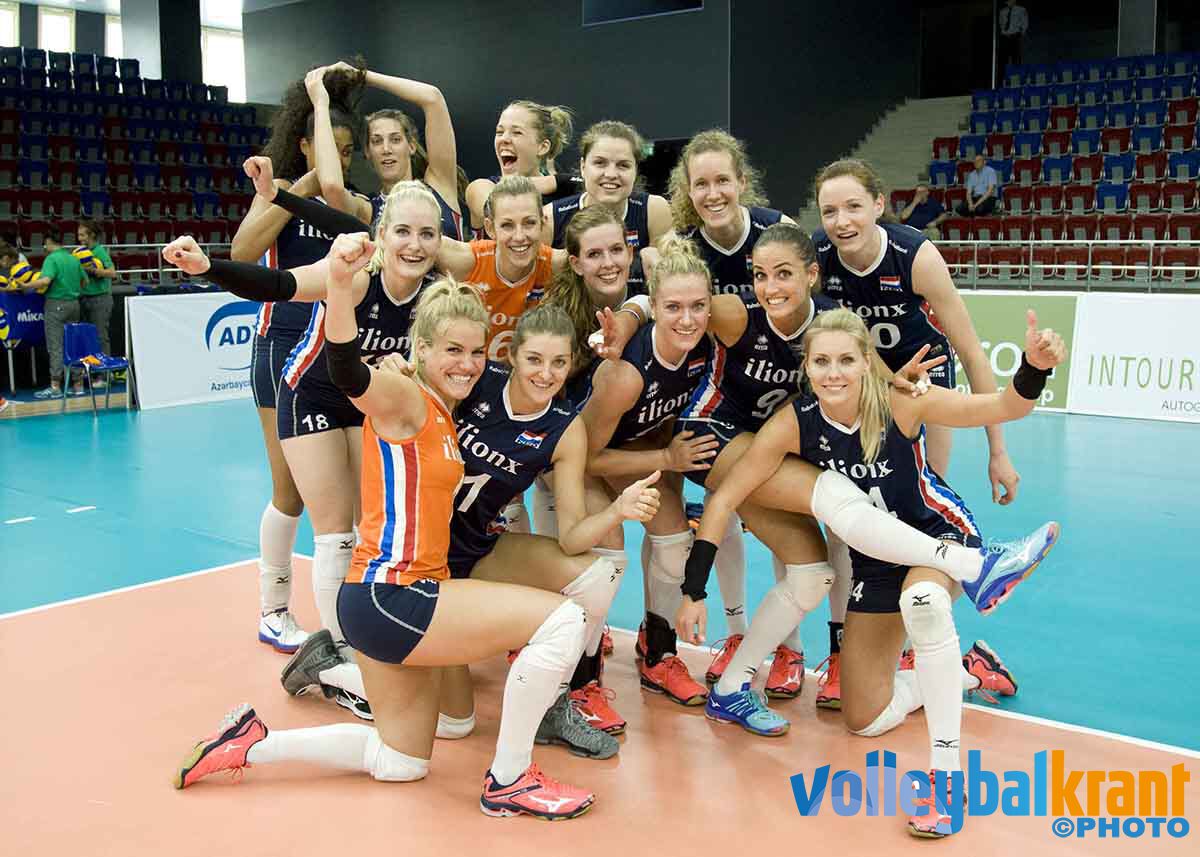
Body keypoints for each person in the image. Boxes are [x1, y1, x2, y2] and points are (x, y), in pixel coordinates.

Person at [176, 244, 598, 821]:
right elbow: (348, 372)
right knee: (565, 619)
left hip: (383, 601)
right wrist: (340, 288)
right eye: (452, 350)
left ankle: (253, 742)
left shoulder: (443, 409)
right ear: (420, 349)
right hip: (397, 593)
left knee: (403, 759)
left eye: (476, 352)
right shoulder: (406, 397)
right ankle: (510, 779)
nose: (467, 364)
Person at [680, 307, 1062, 837]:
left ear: (866, 362)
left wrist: (1034, 367)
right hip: (876, 562)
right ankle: (970, 671)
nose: (833, 373)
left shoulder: (902, 401)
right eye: (821, 362)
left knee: (924, 606)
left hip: (938, 536)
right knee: (864, 719)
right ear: (806, 367)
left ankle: (947, 779)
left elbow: (1004, 406)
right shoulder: (795, 422)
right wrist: (694, 587)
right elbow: (725, 498)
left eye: (845, 360)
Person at [166, 179, 440, 720]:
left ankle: (356, 638)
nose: (414, 244)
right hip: (309, 394)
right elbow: (278, 282)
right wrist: (208, 267)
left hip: (362, 401)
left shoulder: (435, 292)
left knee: (368, 528)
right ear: (381, 235)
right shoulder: (354, 277)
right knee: (334, 532)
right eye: (403, 231)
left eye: (427, 234)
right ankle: (341, 657)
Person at [812, 157, 1018, 707]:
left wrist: (997, 450)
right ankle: (843, 651)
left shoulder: (914, 255)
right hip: (862, 390)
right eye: (830, 211)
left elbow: (970, 350)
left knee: (914, 516)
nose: (842, 220)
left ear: (879, 205)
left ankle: (919, 647)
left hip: (924, 390)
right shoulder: (819, 257)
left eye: (854, 206)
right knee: (846, 524)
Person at [229, 63, 367, 656]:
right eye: (332, 146)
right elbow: (242, 252)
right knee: (289, 490)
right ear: (306, 143)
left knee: (351, 500)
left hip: (334, 356)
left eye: (349, 150)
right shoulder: (280, 191)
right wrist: (296, 190)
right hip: (280, 348)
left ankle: (351, 616)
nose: (342, 157)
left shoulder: (352, 205)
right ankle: (273, 609)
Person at [579, 238, 717, 706]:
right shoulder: (625, 374)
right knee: (606, 561)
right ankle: (581, 677)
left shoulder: (703, 345)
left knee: (675, 543)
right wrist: (666, 460)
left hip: (637, 445)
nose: (687, 319)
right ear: (654, 307)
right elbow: (586, 457)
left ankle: (657, 653)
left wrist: (666, 459)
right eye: (673, 307)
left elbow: (655, 264)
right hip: (579, 458)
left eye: (698, 306)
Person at [437, 176, 568, 362]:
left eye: (529, 223)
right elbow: (408, 243)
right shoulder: (466, 260)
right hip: (466, 371)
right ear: (490, 228)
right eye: (507, 225)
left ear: (542, 222)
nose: (519, 236)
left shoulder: (558, 264)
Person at [545, 120, 672, 293]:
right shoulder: (551, 218)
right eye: (600, 163)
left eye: (623, 165)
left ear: (635, 170)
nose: (611, 174)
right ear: (583, 167)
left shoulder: (655, 210)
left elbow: (666, 287)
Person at [466, 100, 580, 236]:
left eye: (517, 133)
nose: (504, 139)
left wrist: (556, 182)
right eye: (500, 132)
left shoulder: (564, 192)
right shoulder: (480, 188)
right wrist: (548, 183)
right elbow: (503, 211)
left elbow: (595, 186)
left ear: (542, 147)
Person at [26, 226, 87, 399]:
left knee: (55, 346)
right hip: (74, 304)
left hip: (56, 305)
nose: (44, 247)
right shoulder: (73, 258)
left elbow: (45, 280)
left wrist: (26, 285)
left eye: (45, 244)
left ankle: (55, 387)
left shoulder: (51, 259)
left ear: (48, 241)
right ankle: (78, 385)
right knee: (73, 345)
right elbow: (85, 281)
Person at [76, 220, 117, 369]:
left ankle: (104, 372)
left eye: (82, 235)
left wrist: (93, 271)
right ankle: (91, 370)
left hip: (100, 299)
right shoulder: (80, 252)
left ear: (92, 235)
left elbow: (112, 273)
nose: (79, 238)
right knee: (87, 338)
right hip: (84, 299)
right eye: (79, 235)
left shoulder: (99, 251)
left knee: (100, 337)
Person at [997, 0, 1029, 80]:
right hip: (1005, 37)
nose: (1009, 2)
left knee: (1016, 58)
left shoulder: (1021, 9)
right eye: (1007, 1)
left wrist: (1022, 32)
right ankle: (1003, 79)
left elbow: (1025, 22)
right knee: (1003, 59)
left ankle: (1016, 78)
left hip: (1015, 36)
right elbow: (1001, 23)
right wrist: (1003, 32)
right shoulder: (1002, 11)